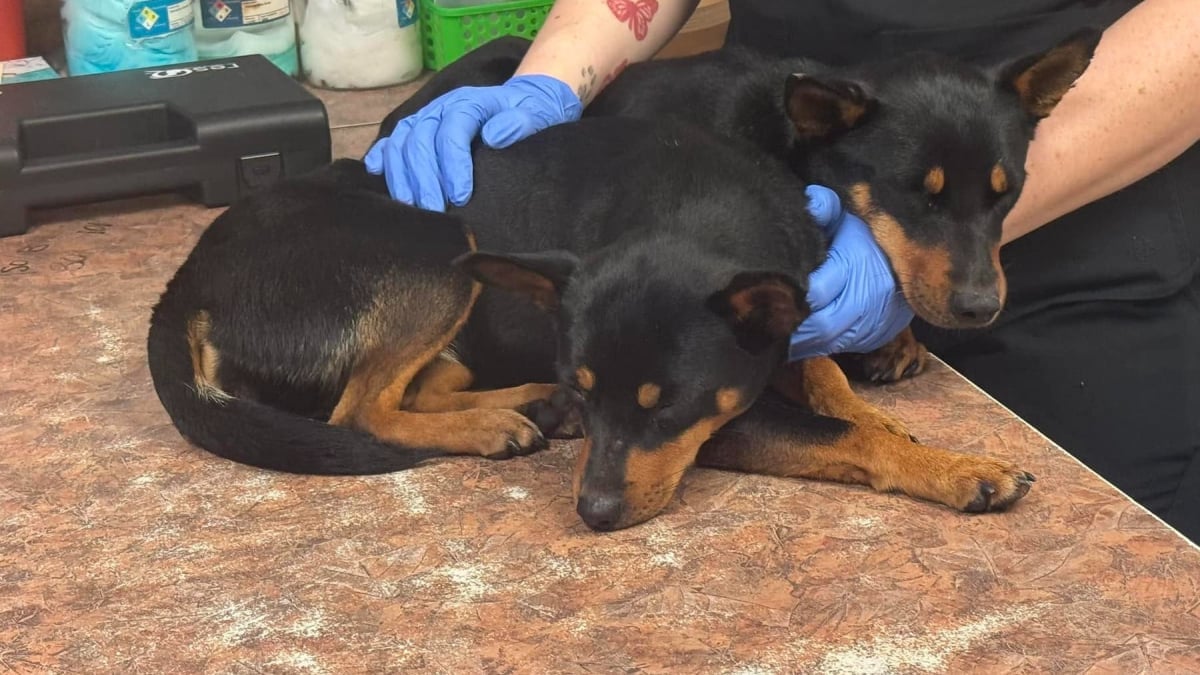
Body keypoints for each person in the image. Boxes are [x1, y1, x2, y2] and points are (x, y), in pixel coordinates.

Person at [365, 0, 1200, 542]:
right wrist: (550, 83)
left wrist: (919, 231)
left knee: (1105, 553)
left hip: (1085, 241)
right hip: (762, 175)